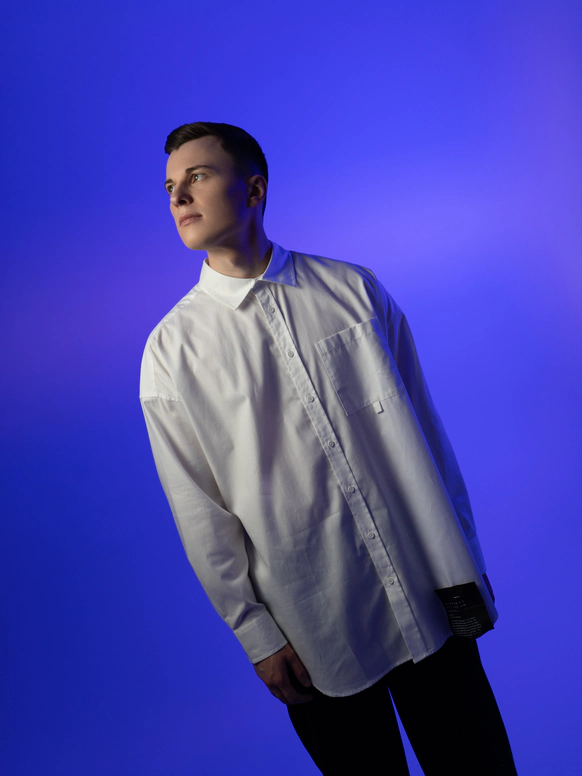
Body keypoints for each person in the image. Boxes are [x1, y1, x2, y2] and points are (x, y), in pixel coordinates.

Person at [140, 121, 517, 775]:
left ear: (253, 189)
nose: (178, 198)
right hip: (316, 632)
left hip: (430, 595)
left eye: (197, 177)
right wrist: (256, 635)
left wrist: (466, 559)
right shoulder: (171, 355)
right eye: (170, 186)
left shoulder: (354, 291)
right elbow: (199, 511)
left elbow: (428, 435)